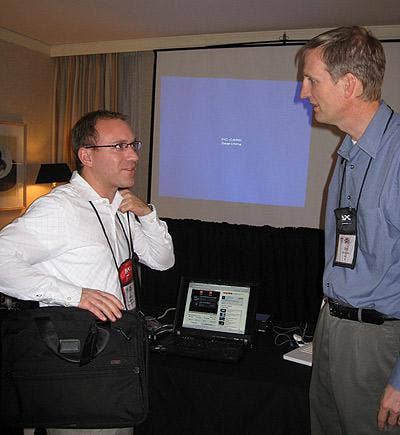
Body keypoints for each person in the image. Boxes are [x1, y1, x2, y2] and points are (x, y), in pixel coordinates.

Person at [0, 110, 175, 434]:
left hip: (117, 354)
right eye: (119, 146)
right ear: (86, 156)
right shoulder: (61, 208)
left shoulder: (118, 207)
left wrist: (147, 215)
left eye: (133, 145)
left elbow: (162, 260)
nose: (133, 156)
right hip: (77, 363)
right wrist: (75, 295)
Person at [297, 26, 400, 434]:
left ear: (350, 84)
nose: (303, 92)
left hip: (376, 341)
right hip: (333, 326)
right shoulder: (349, 152)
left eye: (312, 80)